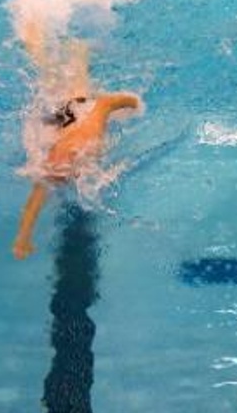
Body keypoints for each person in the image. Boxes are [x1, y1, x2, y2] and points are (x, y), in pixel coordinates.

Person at [12, 22, 141, 260]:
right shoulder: (58, 164)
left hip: (76, 109)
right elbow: (34, 202)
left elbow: (107, 103)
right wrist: (23, 238)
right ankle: (36, 29)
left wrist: (134, 103)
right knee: (54, 72)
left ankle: (44, 32)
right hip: (71, 113)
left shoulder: (88, 134)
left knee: (59, 73)